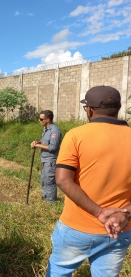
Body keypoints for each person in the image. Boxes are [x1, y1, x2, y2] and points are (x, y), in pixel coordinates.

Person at [46, 86, 131, 276]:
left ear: (89, 110)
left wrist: (99, 211)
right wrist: (126, 214)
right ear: (118, 109)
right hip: (120, 228)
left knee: (59, 270)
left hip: (77, 227)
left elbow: (62, 180)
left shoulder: (76, 136)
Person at [30, 110, 62, 203]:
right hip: (45, 159)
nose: (39, 120)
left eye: (41, 119)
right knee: (44, 179)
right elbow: (44, 140)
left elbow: (52, 147)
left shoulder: (54, 130)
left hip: (51, 160)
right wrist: (38, 142)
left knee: (49, 181)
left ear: (48, 119)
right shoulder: (46, 129)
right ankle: (45, 198)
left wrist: (37, 146)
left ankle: (51, 202)